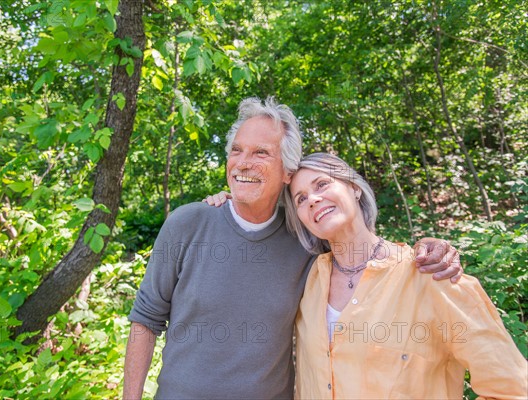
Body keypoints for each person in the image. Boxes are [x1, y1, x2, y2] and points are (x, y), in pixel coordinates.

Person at [123, 98, 461, 399]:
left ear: (288, 171)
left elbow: (366, 250)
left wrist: (431, 248)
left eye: (260, 153)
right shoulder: (187, 224)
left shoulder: (306, 239)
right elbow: (145, 319)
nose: (243, 163)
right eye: (236, 150)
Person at [285, 152, 527, 399]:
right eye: (300, 199)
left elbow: (512, 389)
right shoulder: (307, 279)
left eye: (322, 184)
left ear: (355, 188)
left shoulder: (432, 276)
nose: (312, 199)